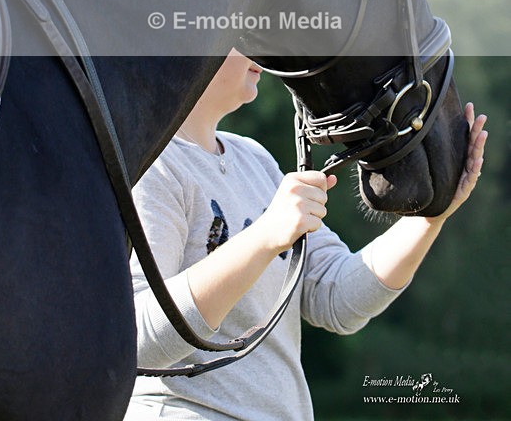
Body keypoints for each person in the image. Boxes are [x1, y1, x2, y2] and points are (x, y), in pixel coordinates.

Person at [126, 50, 487, 421]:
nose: (261, 52)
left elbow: (337, 299)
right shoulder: (152, 168)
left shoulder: (254, 159)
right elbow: (135, 341)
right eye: (240, 34)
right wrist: (265, 236)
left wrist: (430, 217)